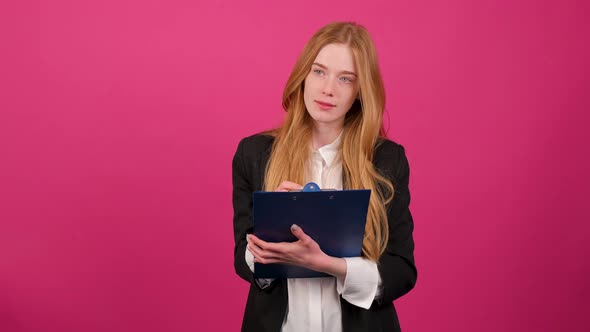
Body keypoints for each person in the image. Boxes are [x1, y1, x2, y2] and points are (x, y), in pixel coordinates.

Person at [232, 22, 417, 332]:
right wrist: (268, 236)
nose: (328, 89)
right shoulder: (254, 154)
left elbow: (401, 270)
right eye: (319, 72)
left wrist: (331, 266)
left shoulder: (387, 160)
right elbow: (244, 259)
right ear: (303, 75)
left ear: (360, 92)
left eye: (345, 79)